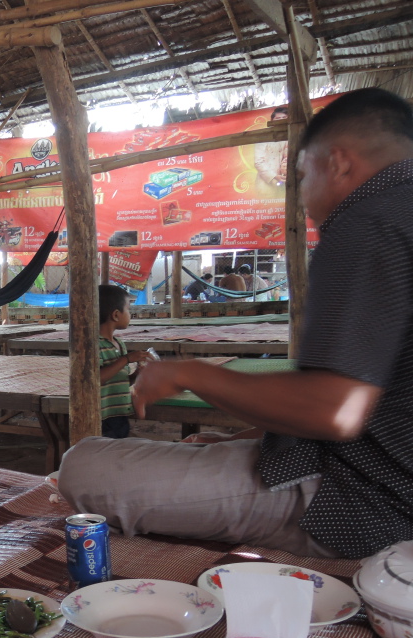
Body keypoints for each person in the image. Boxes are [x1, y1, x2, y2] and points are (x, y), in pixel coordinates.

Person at [58, 87, 413, 560]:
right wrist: (250, 440)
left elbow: (337, 411)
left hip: (361, 503)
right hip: (375, 481)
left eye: (302, 175)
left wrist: (191, 374)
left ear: (339, 163)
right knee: (189, 452)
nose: (301, 197)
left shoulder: (369, 220)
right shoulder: (396, 212)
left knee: (84, 466)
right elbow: (381, 411)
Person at [97, 285, 151, 439]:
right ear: (115, 315)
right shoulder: (94, 344)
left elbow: (119, 379)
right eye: (128, 309)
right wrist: (127, 359)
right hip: (102, 415)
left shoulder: (119, 344)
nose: (130, 314)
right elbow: (96, 379)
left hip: (119, 412)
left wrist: (137, 374)